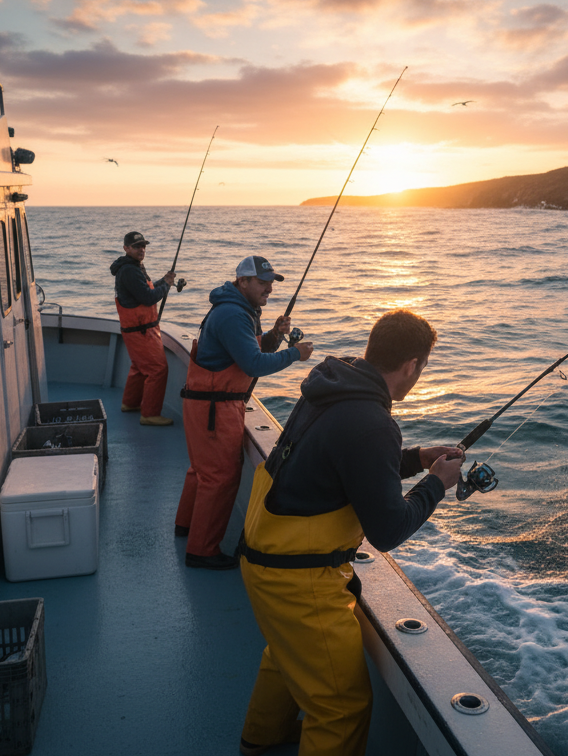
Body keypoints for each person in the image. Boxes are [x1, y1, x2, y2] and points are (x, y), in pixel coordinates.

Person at [236, 309, 464, 756]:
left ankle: (262, 737)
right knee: (341, 707)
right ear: (412, 365)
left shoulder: (332, 386)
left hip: (264, 555)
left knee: (286, 654)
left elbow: (345, 462)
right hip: (298, 579)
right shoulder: (373, 422)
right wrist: (436, 485)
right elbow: (388, 530)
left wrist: (416, 458)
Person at [174, 255, 314, 569]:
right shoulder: (234, 315)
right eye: (262, 283)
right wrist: (294, 354)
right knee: (220, 477)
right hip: (215, 408)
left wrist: (274, 336)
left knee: (202, 471)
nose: (269, 289)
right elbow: (253, 364)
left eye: (271, 283)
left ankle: (185, 526)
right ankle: (201, 551)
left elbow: (246, 349)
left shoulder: (236, 309)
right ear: (243, 281)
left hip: (207, 404)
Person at [109, 231, 175, 426]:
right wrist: (167, 286)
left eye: (143, 246)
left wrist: (163, 281)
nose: (141, 250)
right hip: (142, 331)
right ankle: (150, 414)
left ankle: (130, 403)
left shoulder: (132, 267)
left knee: (139, 367)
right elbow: (148, 298)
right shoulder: (129, 270)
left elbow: (146, 290)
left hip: (135, 330)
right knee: (157, 370)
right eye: (137, 246)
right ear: (126, 248)